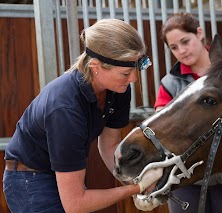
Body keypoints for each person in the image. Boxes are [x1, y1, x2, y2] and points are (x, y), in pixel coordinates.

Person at [3, 18, 163, 213]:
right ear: (95, 66)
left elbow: (109, 144)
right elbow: (76, 204)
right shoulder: (65, 108)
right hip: (30, 179)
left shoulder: (117, 89)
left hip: (61, 175)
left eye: (136, 69)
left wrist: (137, 178)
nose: (134, 79)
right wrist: (135, 188)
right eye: (125, 73)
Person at [154, 12, 222, 213]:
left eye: (185, 41)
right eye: (174, 47)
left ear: (200, 33)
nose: (182, 51)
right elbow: (164, 134)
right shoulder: (169, 84)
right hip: (186, 182)